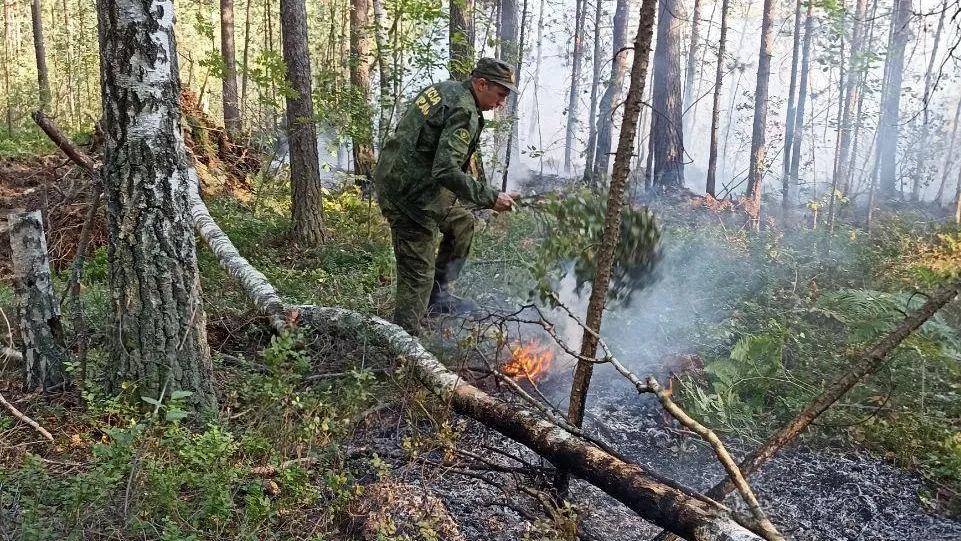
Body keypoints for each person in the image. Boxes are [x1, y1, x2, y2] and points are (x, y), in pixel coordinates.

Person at [373, 58, 520, 335]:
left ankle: (437, 298)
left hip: (414, 182)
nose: (501, 103)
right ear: (481, 84)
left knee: (461, 224)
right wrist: (490, 197)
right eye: (501, 94)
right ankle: (405, 345)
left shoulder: (447, 89)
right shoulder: (464, 109)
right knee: (418, 273)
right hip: (408, 196)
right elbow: (445, 169)